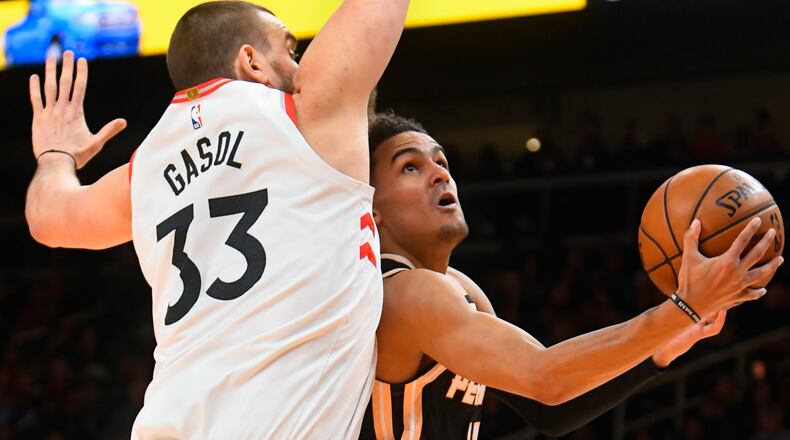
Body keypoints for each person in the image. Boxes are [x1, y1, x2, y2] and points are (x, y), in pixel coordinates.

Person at [24, 1, 409, 437]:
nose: (300, 66)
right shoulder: (310, 112)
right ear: (251, 62)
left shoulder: (143, 170)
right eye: (290, 50)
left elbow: (48, 219)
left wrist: (56, 155)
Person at [358, 112, 784, 439]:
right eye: (410, 167)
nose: (440, 172)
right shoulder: (401, 291)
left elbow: (549, 410)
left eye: (441, 160)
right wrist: (682, 310)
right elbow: (544, 377)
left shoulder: (458, 287)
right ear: (370, 208)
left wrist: (661, 349)